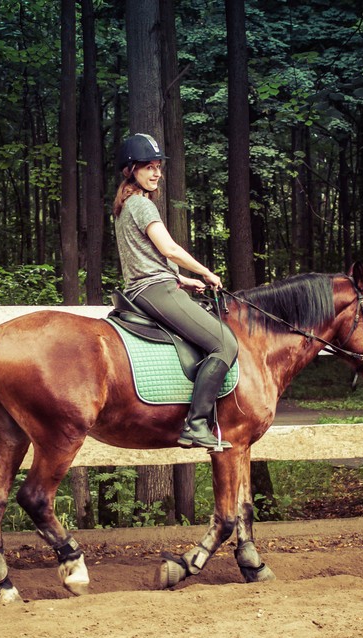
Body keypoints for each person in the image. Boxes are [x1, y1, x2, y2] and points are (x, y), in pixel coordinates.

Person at [112, 133, 238, 450]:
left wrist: (184, 280)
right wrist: (205, 272)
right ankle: (196, 424)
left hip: (148, 288)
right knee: (225, 343)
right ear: (130, 170)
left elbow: (145, 258)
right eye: (148, 167)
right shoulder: (141, 205)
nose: (156, 173)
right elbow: (168, 249)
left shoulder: (126, 206)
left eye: (158, 167)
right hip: (155, 289)